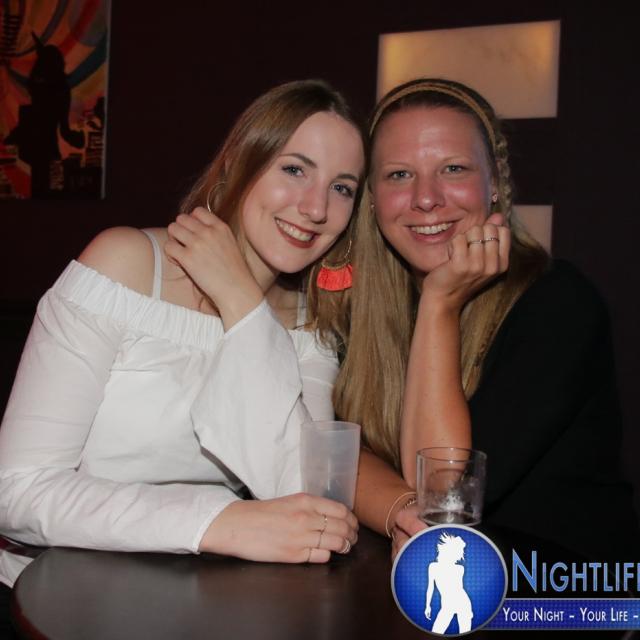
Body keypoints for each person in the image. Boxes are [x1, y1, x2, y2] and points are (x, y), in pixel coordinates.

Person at [0, 79, 366, 609]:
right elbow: (16, 490)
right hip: (52, 598)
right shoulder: (124, 265)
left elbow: (303, 496)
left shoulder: (311, 327)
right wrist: (219, 522)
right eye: (294, 169)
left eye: (343, 188)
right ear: (238, 165)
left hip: (198, 600)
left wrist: (243, 304)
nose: (315, 207)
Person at [340, 78, 639, 562]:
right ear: (371, 197)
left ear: (495, 182)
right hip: (434, 577)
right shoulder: (364, 307)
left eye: (453, 168)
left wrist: (440, 304)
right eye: (399, 174)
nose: (426, 198)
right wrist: (395, 509)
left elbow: (442, 491)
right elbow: (338, 453)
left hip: (564, 588)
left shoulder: (558, 303)